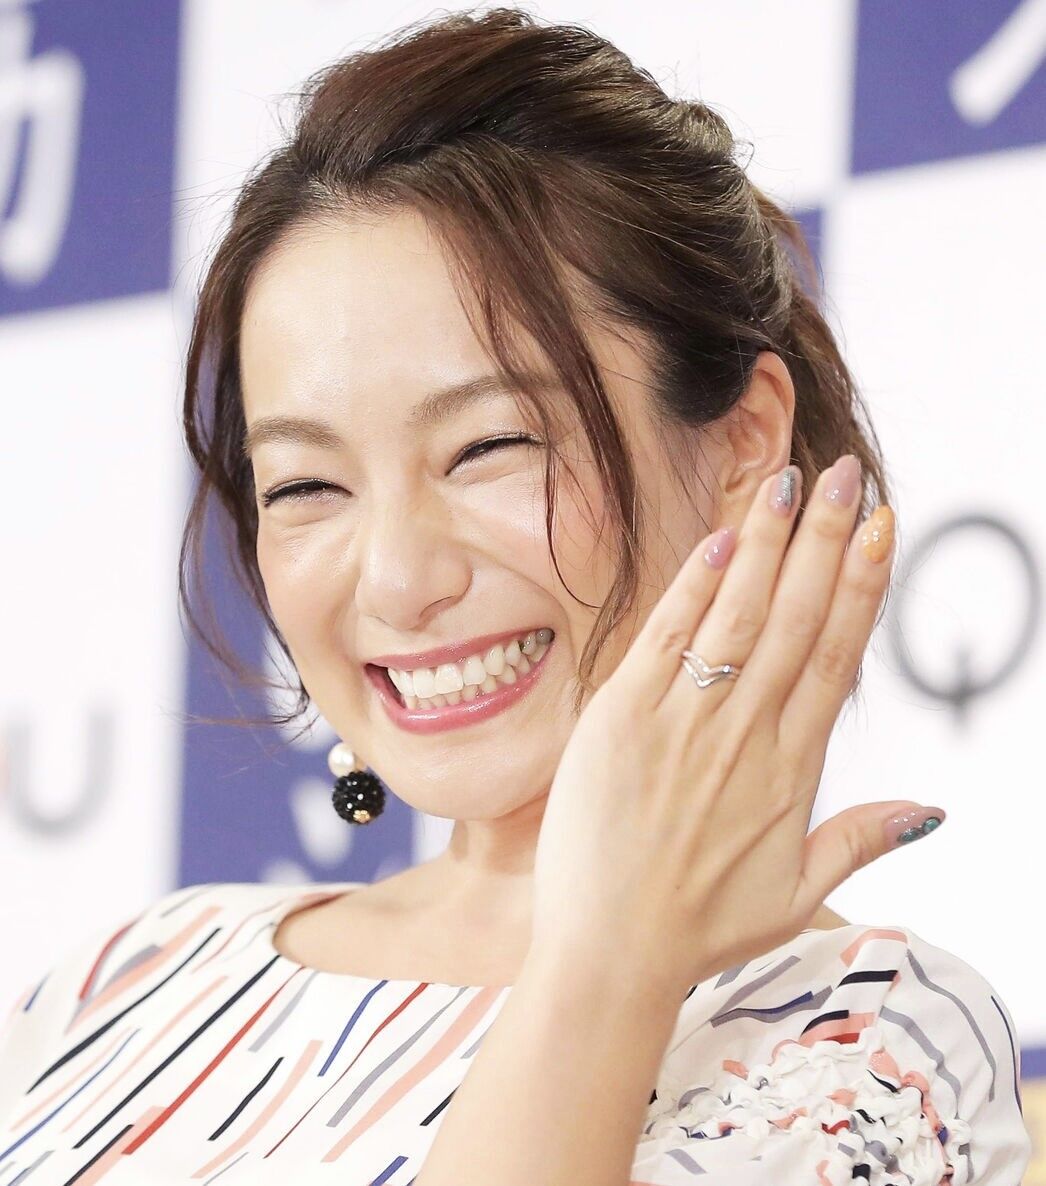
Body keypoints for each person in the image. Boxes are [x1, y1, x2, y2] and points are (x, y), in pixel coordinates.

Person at [0, 7, 1031, 1184]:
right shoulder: (134, 980)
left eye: (488, 446)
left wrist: (606, 964)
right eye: (306, 484)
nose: (398, 579)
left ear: (742, 440)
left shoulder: (866, 1043)